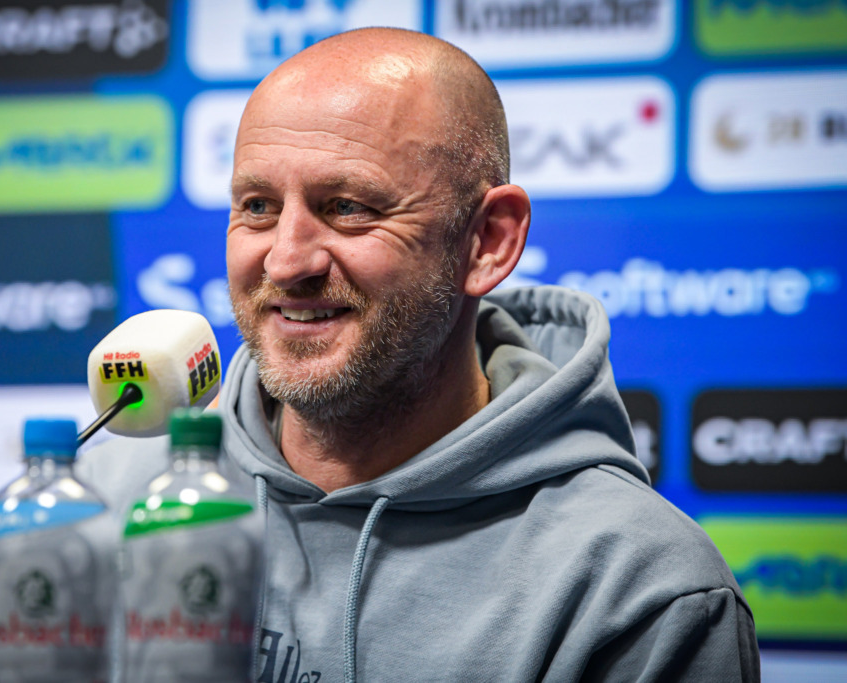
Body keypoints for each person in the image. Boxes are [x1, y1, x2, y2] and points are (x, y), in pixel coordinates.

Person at [84, 28, 760, 682]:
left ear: (487, 240)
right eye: (258, 205)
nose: (286, 260)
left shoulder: (641, 590)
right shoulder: (99, 500)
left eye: (347, 206)